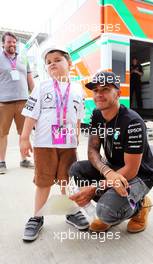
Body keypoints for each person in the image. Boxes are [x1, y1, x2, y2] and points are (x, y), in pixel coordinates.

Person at [68, 71, 153, 233]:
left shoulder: (133, 122)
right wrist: (107, 171)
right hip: (113, 168)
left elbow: (131, 170)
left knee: (104, 211)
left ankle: (139, 206)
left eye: (105, 89)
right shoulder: (97, 114)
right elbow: (92, 150)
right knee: (76, 169)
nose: (99, 94)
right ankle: (113, 208)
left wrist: (95, 188)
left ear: (118, 93)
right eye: (95, 90)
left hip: (140, 175)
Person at [20, 47, 87, 242]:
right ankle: (37, 216)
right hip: (44, 144)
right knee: (43, 181)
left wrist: (76, 136)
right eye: (49, 62)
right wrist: (25, 138)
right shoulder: (41, 87)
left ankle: (70, 211)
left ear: (69, 64)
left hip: (68, 145)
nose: (52, 64)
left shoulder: (77, 89)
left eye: (57, 59)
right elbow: (31, 114)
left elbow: (78, 117)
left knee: (67, 180)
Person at [0, 31, 34, 174]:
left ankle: (24, 159)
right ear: (3, 43)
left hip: (23, 102)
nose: (12, 44)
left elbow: (29, 79)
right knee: (2, 133)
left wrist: (36, 96)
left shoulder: (23, 59)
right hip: (4, 103)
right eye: (9, 42)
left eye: (14, 42)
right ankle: (1, 162)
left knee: (24, 133)